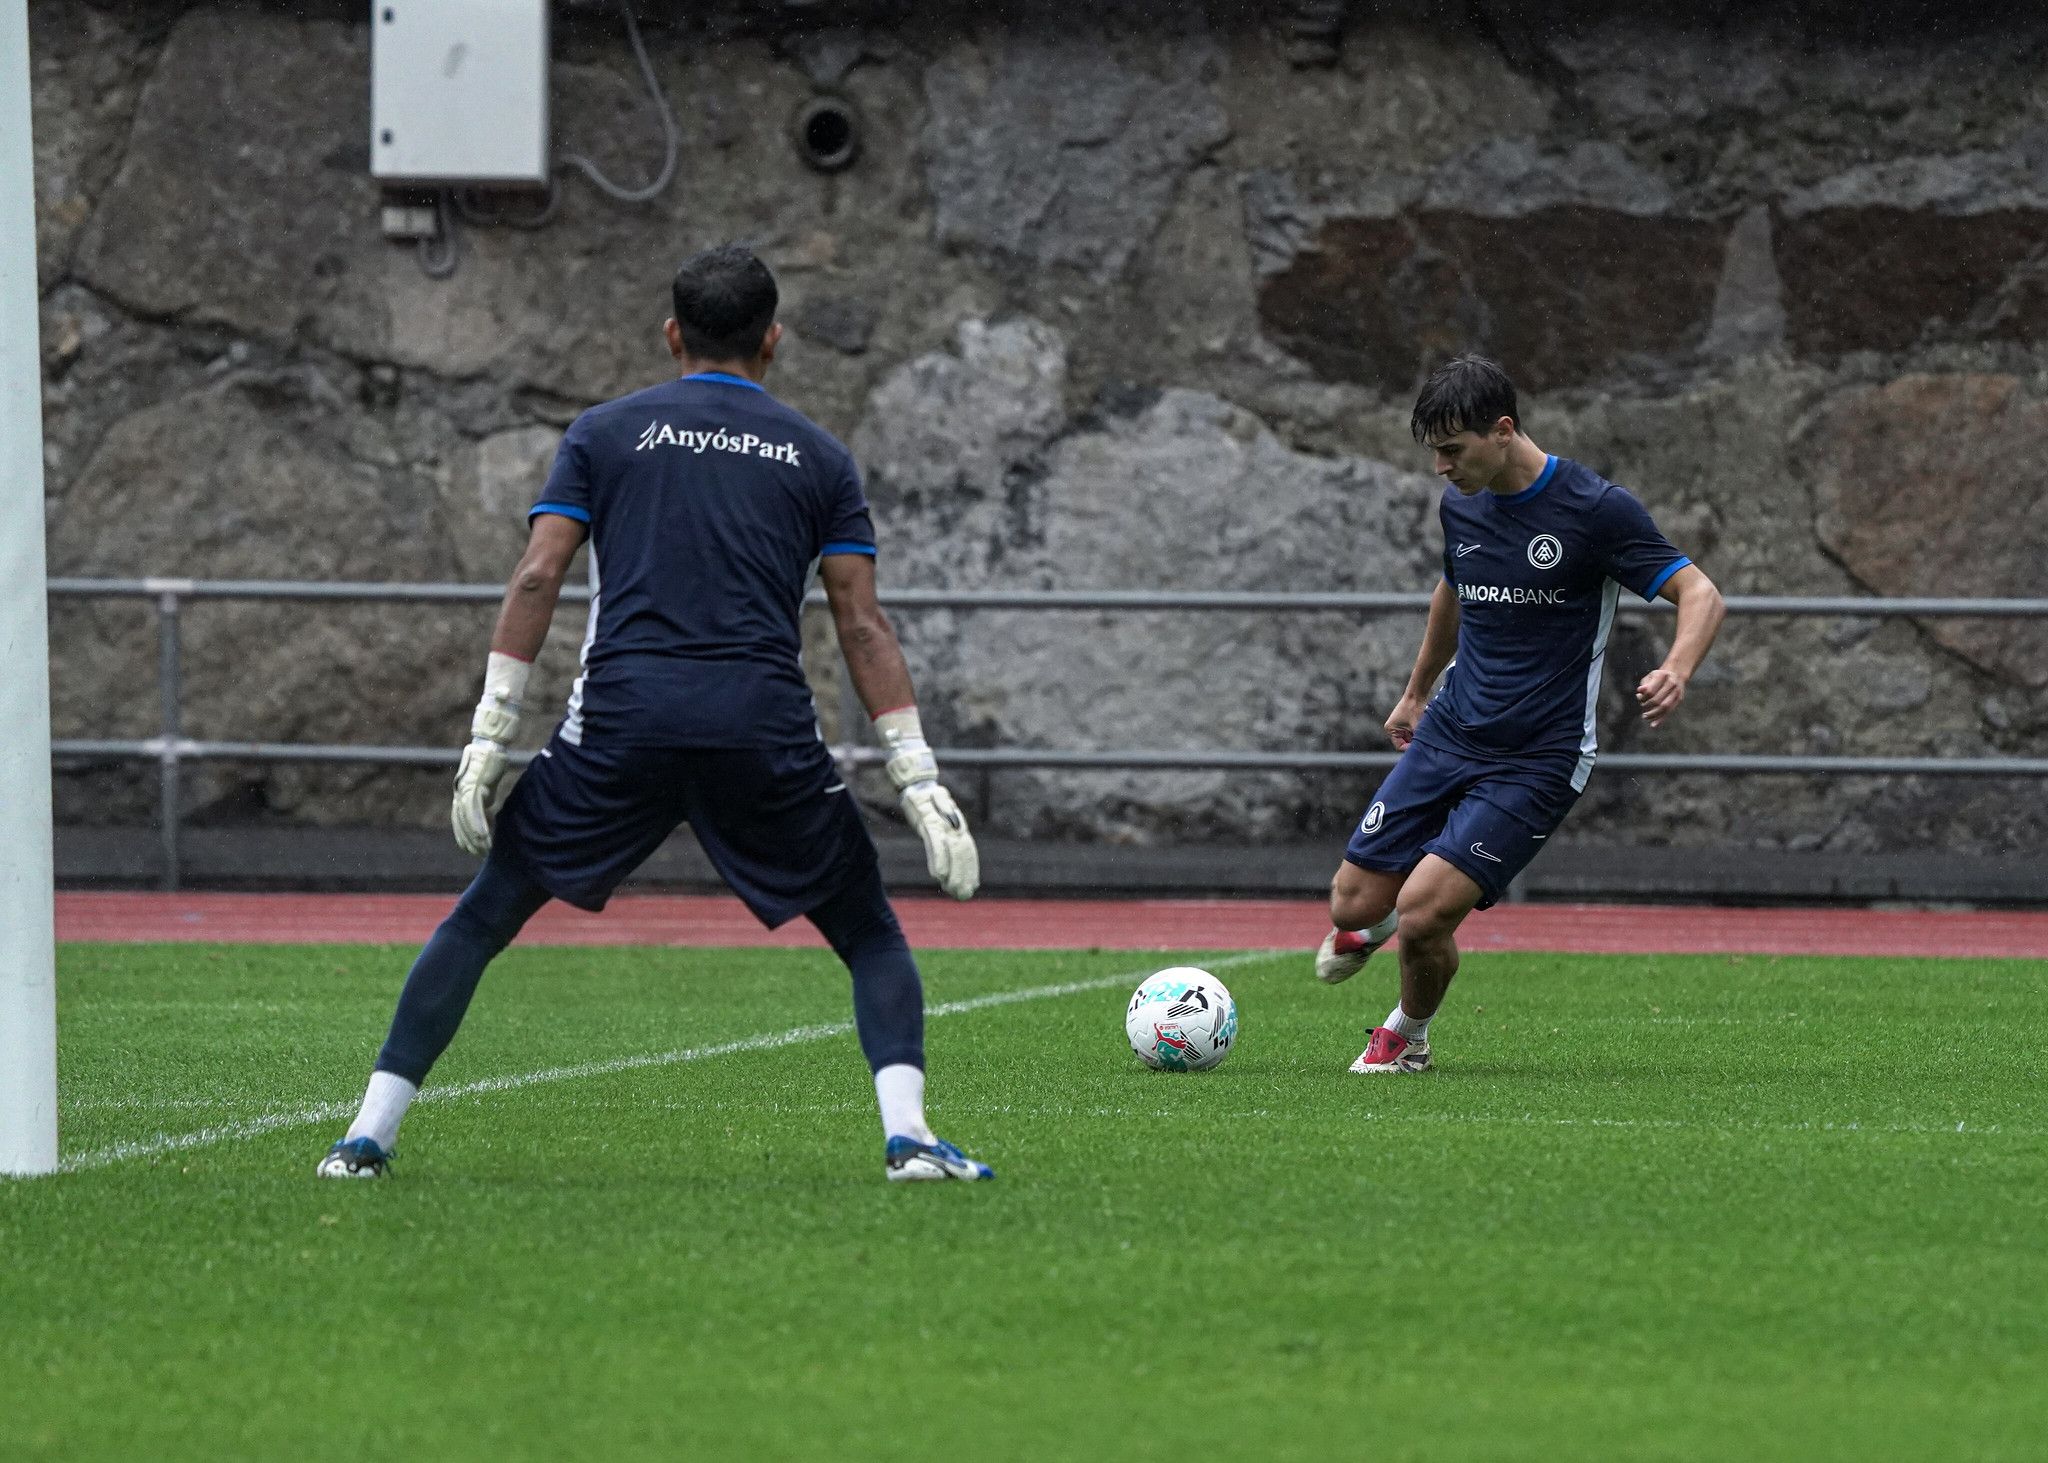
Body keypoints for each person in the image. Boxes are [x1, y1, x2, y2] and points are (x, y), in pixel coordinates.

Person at [319, 245, 993, 1182]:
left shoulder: (603, 432)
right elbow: (861, 621)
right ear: (775, 339)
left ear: (673, 334)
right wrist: (915, 772)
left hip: (623, 726)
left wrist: (490, 731)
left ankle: (366, 1138)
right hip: (759, 730)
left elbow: (537, 573)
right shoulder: (818, 454)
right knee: (869, 930)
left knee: (482, 918)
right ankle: (911, 1138)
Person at [1316, 354, 1725, 1073]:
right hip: (1450, 730)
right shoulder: (1462, 503)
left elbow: (1701, 593)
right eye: (1434, 451)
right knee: (1350, 904)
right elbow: (1455, 591)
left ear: (1503, 430)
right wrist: (1416, 690)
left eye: (1453, 449)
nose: (1441, 467)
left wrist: (1677, 667)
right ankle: (1372, 924)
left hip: (1539, 756)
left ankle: (1407, 1034)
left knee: (1425, 914)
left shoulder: (1595, 509)